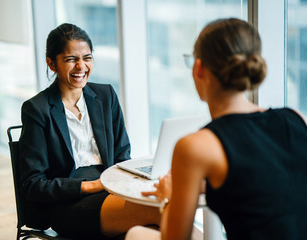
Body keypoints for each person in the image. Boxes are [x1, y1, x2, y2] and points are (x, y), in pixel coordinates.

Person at [125, 18, 307, 240]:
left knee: (136, 234)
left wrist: (169, 197)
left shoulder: (195, 146)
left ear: (199, 67)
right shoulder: (296, 119)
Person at [18, 23, 160, 240]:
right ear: (52, 63)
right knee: (158, 211)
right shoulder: (37, 109)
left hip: (111, 189)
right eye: (71, 59)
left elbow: (122, 156)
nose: (81, 66)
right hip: (68, 203)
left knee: (155, 227)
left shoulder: (106, 96)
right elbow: (33, 184)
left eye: (87, 57)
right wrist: (91, 186)